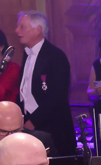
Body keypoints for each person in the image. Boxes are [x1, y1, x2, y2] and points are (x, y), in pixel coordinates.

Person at [16, 10, 76, 156]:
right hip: (29, 124)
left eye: (22, 27)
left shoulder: (56, 56)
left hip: (53, 128)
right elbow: (25, 90)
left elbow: (57, 96)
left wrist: (33, 121)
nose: (17, 31)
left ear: (38, 29)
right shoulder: (27, 54)